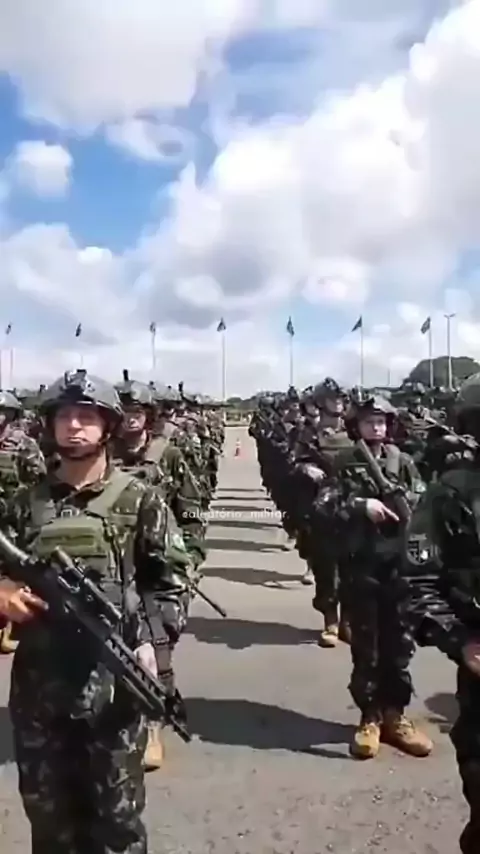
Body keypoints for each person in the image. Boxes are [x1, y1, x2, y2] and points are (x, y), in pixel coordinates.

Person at [0, 369, 192, 854]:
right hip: (40, 688)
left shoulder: (140, 499)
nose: (73, 426)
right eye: (64, 416)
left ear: (108, 425)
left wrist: (152, 641)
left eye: (86, 416)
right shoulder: (25, 505)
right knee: (49, 820)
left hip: (113, 687)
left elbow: (170, 580)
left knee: (117, 823)